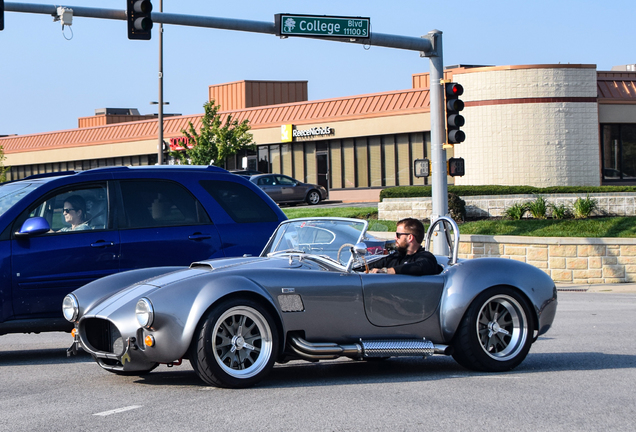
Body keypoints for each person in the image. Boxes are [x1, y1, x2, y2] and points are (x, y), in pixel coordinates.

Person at [364, 217, 442, 276]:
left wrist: (386, 271)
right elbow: (373, 265)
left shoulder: (426, 258)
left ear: (410, 237)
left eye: (398, 235)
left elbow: (418, 267)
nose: (395, 238)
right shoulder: (396, 257)